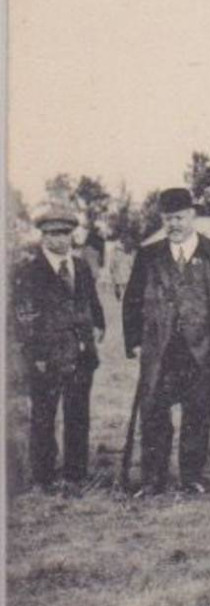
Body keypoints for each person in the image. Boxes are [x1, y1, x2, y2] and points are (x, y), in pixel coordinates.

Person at [123, 188, 210, 495]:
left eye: (179, 217)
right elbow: (132, 300)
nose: (173, 224)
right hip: (162, 351)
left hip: (202, 351)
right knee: (154, 414)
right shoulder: (149, 255)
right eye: (167, 219)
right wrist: (135, 342)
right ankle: (153, 479)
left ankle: (192, 475)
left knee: (198, 413)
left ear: (193, 215)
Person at [12, 203, 105, 489]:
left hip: (80, 353)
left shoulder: (80, 266)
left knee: (78, 413)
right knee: (44, 416)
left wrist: (100, 325)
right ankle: (44, 476)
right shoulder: (29, 271)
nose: (59, 239)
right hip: (46, 356)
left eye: (65, 233)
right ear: (42, 236)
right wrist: (36, 353)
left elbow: (91, 301)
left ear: (72, 235)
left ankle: (76, 473)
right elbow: (23, 316)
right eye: (51, 234)